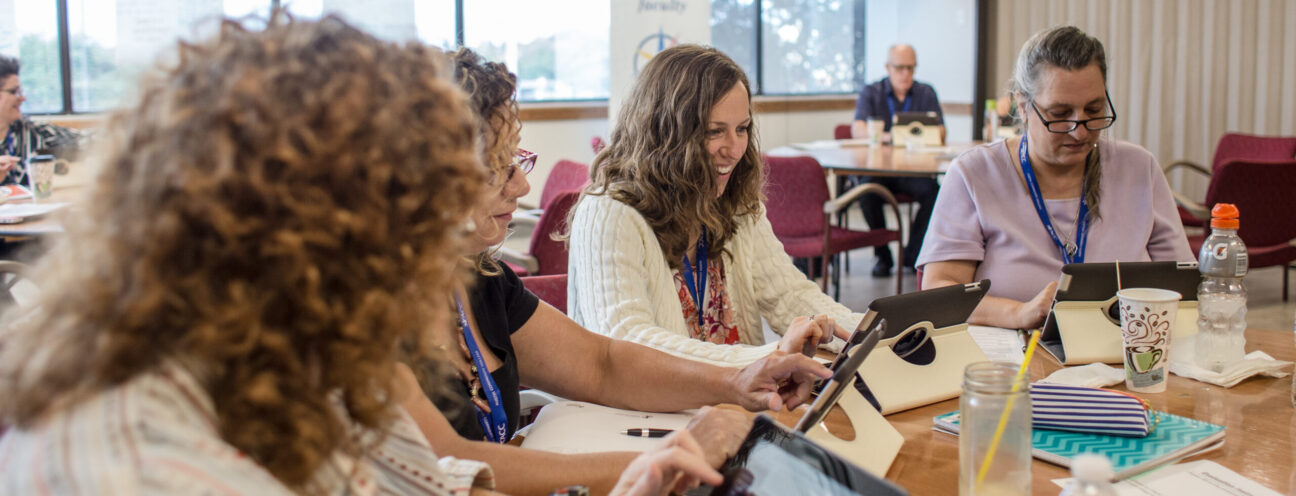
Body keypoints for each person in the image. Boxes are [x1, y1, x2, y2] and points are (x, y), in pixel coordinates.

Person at [0, 17, 714, 496]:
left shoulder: (282, 351)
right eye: (404, 221)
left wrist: (631, 481)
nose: (426, 257)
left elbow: (428, 482)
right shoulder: (136, 457)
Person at [396, 48, 833, 496]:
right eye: (501, 167)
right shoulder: (364, 314)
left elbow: (601, 364)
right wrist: (665, 460)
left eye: (518, 160)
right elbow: (453, 465)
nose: (524, 184)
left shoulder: (482, 283)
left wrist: (738, 383)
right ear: (430, 180)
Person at [567, 44, 860, 368]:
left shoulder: (733, 205)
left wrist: (872, 332)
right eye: (714, 131)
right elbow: (629, 345)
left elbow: (789, 296)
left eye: (742, 129)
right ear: (665, 133)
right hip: (638, 415)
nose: (734, 150)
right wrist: (768, 357)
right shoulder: (608, 214)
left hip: (730, 404)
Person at [917, 26, 1193, 330]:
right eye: (1060, 114)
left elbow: (1184, 284)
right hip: (1014, 356)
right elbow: (939, 290)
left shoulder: (1139, 168)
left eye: (1094, 109)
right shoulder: (975, 174)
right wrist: (1018, 313)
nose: (1080, 131)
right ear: (1023, 107)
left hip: (1125, 350)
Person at [848, 44, 943, 277]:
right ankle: (883, 256)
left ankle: (913, 254)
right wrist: (893, 136)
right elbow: (858, 129)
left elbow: (941, 131)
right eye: (900, 68)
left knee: (935, 193)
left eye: (910, 68)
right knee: (867, 191)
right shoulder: (872, 92)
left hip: (913, 170)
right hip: (880, 170)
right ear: (888, 67)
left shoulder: (926, 93)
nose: (905, 74)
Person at [0, 55, 84, 187]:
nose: (22, 98)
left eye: (20, 91)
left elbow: (87, 139)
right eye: (14, 92)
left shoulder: (36, 132)